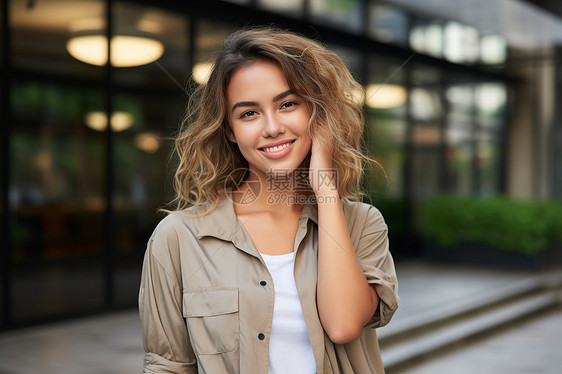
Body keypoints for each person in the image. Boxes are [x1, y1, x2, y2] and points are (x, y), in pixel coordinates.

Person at [139, 27, 399, 374]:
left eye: (288, 104)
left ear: (317, 114)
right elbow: (167, 366)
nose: (272, 127)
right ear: (229, 129)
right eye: (249, 113)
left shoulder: (362, 223)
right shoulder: (177, 238)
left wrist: (325, 192)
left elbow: (343, 325)